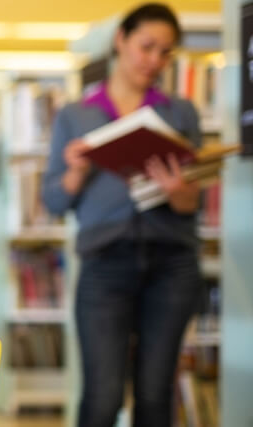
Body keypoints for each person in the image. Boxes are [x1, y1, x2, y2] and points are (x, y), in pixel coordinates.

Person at [41, 4, 203, 426]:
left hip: (172, 263)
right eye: (146, 46)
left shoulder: (179, 113)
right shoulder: (76, 115)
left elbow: (191, 206)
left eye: (166, 53)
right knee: (103, 393)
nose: (154, 61)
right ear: (120, 40)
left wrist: (179, 191)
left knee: (155, 393)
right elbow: (55, 203)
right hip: (105, 263)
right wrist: (77, 171)